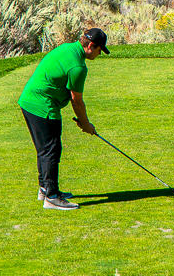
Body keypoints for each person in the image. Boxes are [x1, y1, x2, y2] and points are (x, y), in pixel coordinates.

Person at [17, 27, 108, 210]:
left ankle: (45, 189)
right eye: (100, 50)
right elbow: (77, 101)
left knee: (45, 149)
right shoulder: (78, 67)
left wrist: (83, 121)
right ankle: (51, 197)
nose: (99, 54)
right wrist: (86, 124)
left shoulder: (67, 47)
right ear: (91, 46)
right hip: (42, 106)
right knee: (51, 150)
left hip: (28, 101)